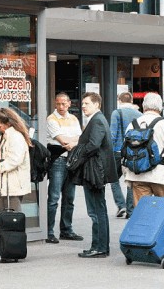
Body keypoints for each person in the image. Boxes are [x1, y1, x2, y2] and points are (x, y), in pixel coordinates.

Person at [71, 93, 118, 258]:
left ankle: (99, 247)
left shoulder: (97, 120)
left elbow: (93, 145)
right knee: (99, 209)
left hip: (94, 172)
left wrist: (76, 152)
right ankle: (100, 247)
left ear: (97, 104)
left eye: (87, 103)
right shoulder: (98, 119)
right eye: (82, 103)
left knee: (96, 210)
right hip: (96, 171)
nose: (83, 106)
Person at [123, 92, 164, 204]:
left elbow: (125, 152)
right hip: (161, 177)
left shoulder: (132, 125)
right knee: (162, 213)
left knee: (142, 214)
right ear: (160, 107)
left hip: (138, 176)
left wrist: (126, 175)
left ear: (143, 106)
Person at [44, 93, 84, 243]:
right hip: (58, 160)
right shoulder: (51, 119)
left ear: (69, 104)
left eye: (63, 104)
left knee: (70, 198)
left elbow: (81, 138)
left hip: (71, 160)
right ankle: (48, 231)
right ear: (55, 104)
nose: (61, 107)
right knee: (54, 197)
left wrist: (71, 141)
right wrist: (72, 140)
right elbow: (62, 140)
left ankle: (66, 230)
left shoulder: (73, 119)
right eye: (58, 104)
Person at [0, 108, 32, 212]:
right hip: (7, 183)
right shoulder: (7, 135)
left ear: (7, 123)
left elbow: (15, 160)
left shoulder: (15, 136)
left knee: (13, 215)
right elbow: (7, 151)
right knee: (6, 214)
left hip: (14, 183)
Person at [109, 92, 141, 219]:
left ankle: (120, 204)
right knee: (130, 180)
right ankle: (130, 209)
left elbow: (113, 134)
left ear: (119, 100)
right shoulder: (139, 114)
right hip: (133, 152)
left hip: (117, 151)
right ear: (131, 100)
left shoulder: (116, 113)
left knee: (113, 179)